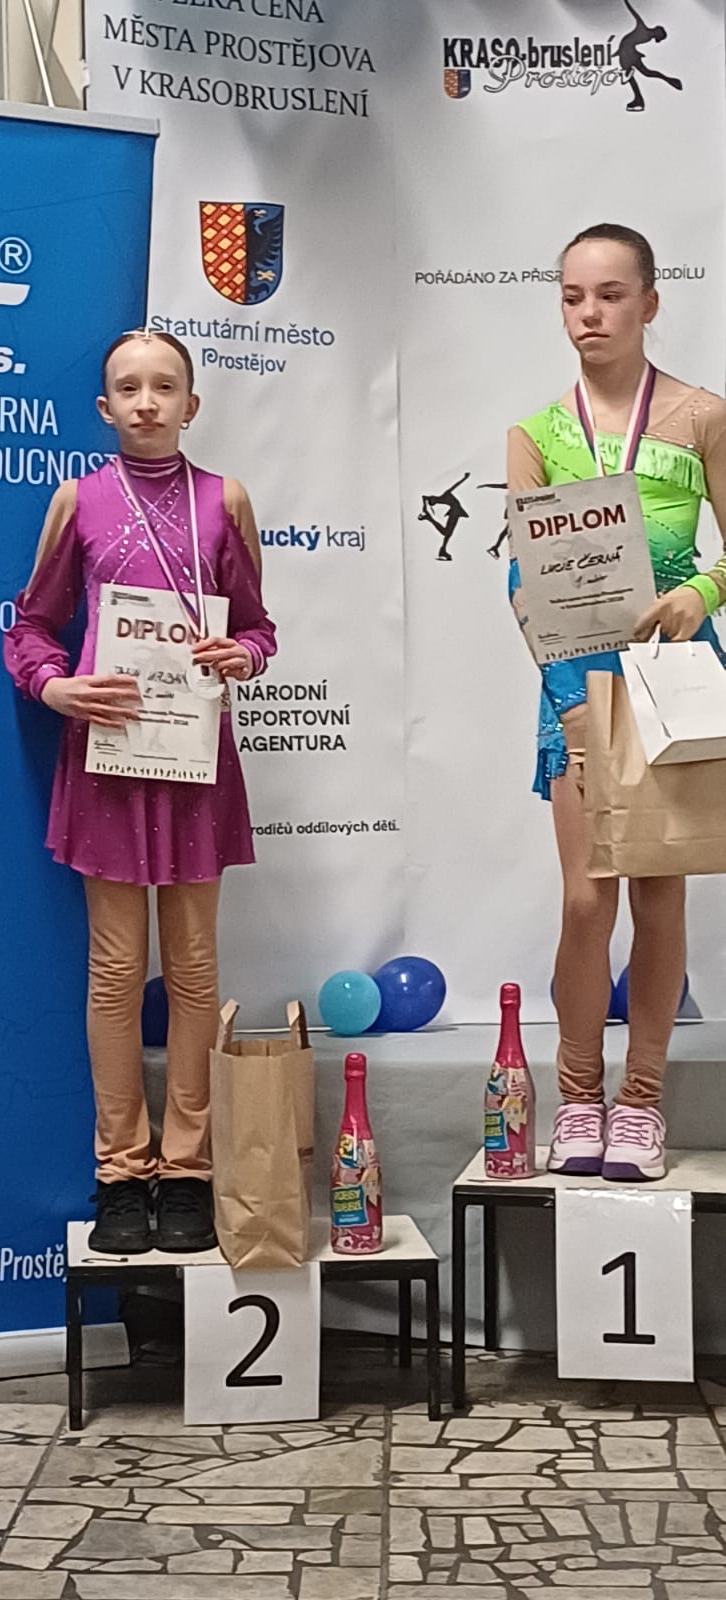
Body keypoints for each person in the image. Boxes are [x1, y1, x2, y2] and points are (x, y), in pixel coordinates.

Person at [4, 330, 276, 1253]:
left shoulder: (224, 500)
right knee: (117, 973)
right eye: (129, 388)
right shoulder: (77, 501)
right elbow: (31, 627)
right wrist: (55, 688)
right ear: (105, 408)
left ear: (192, 405)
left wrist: (243, 655)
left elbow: (260, 628)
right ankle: (122, 1171)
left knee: (195, 970)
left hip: (194, 760)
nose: (148, 402)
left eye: (165, 387)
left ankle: (189, 1168)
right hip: (109, 759)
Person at [507, 223, 726, 1182]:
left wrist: (702, 593)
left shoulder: (702, 416)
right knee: (586, 898)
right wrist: (565, 698)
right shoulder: (535, 435)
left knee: (660, 893)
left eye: (608, 295)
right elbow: (524, 579)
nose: (588, 314)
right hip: (577, 683)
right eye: (572, 296)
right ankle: (578, 1096)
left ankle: (641, 1102)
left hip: (673, 681)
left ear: (650, 302)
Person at [617, 0, 682, 113]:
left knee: (638, 75)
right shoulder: (644, 31)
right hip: (628, 52)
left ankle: (639, 99)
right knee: (644, 73)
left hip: (627, 53)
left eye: (658, 33)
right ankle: (640, 98)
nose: (656, 32)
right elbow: (633, 13)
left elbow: (629, 41)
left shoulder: (644, 31)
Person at [418, 471, 470, 560]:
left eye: (433, 501)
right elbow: (424, 498)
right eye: (432, 503)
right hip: (454, 512)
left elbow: (455, 485)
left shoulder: (445, 495)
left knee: (447, 533)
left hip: (456, 512)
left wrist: (464, 478)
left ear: (434, 497)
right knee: (447, 533)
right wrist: (425, 507)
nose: (434, 502)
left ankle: (443, 550)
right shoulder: (440, 498)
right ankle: (443, 550)